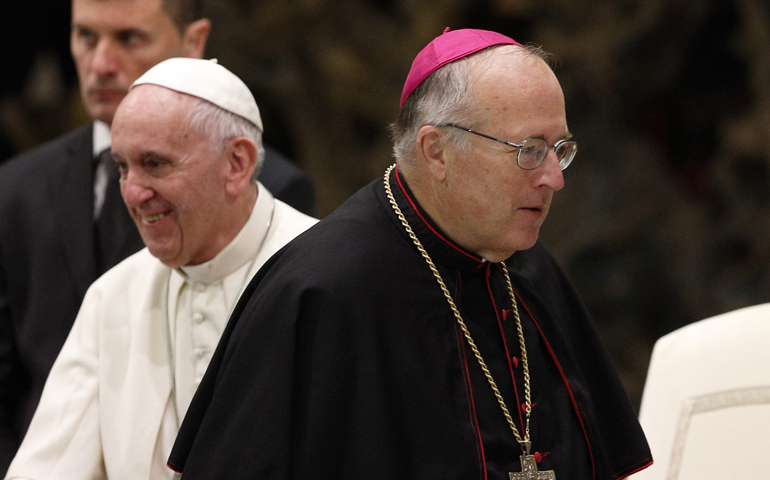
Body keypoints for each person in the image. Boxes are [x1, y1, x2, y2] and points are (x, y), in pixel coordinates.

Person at [168, 29, 653, 480]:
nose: (554, 177)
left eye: (559, 148)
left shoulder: (527, 265)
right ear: (436, 150)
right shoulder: (320, 291)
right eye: (529, 150)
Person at [0, 0, 315, 473]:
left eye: (155, 164)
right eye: (121, 166)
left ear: (237, 164)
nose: (132, 192)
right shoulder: (113, 295)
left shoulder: (325, 277)